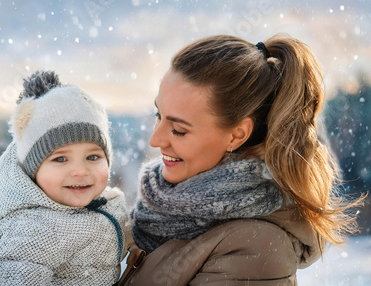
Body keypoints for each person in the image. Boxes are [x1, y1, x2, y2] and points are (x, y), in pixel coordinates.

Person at [118, 34, 365, 285]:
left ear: (237, 135)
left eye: (179, 130)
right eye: (158, 115)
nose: (155, 139)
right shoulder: (159, 210)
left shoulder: (255, 247)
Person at [0, 70, 130, 285]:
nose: (80, 171)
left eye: (92, 156)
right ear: (33, 171)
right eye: (60, 159)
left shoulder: (106, 205)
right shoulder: (35, 228)